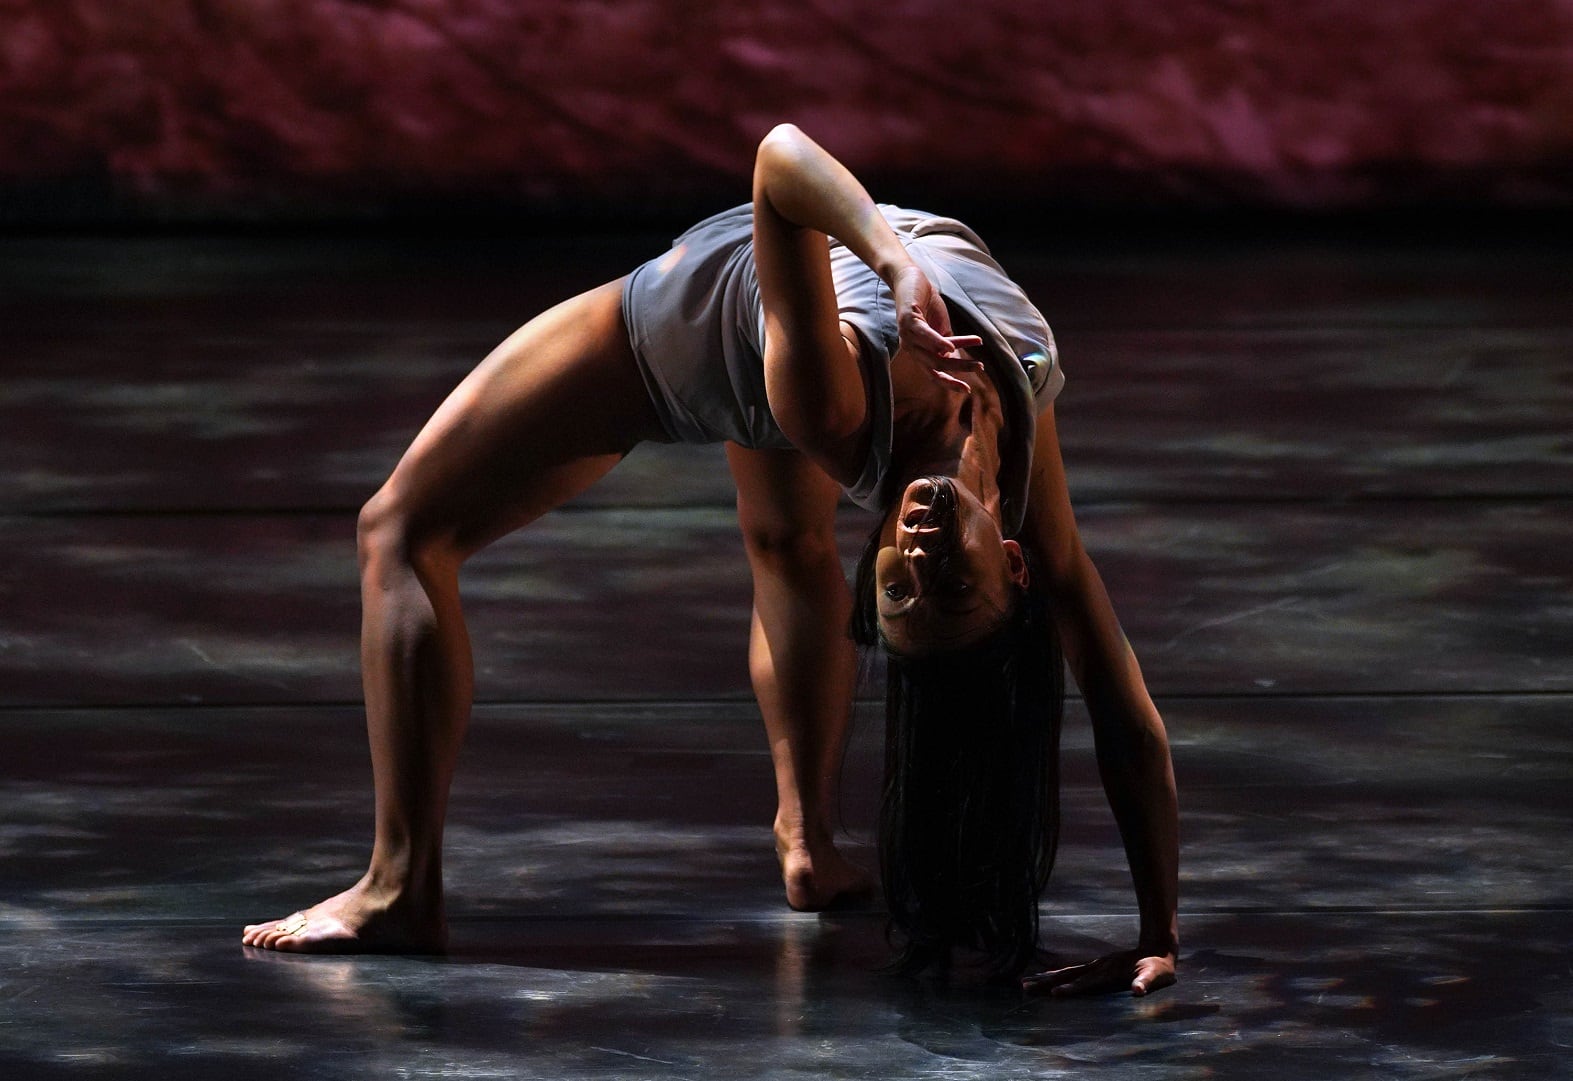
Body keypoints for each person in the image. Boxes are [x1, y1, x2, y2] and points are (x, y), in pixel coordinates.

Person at [242, 124, 1179, 997]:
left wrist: (892, 272)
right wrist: (1157, 928)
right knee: (784, 536)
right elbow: (1120, 707)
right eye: (951, 582)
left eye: (897, 585)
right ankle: (807, 840)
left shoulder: (830, 409)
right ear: (1011, 565)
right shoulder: (1023, 455)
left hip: (700, 332)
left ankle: (398, 889)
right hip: (815, 315)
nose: (921, 554)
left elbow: (779, 167)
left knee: (399, 529)